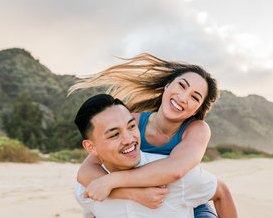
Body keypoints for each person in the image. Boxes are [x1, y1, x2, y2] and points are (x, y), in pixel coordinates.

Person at [69, 53, 237, 217]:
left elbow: (175, 169)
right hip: (148, 199)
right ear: (167, 85)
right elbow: (86, 171)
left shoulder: (196, 129)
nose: (183, 98)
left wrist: (112, 181)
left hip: (191, 202)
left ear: (197, 108)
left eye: (195, 97)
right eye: (181, 86)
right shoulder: (131, 122)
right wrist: (132, 194)